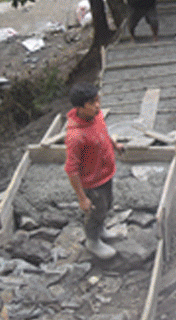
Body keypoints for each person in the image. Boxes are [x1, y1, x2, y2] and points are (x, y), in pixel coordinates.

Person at [64, 82, 124, 260]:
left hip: (106, 173)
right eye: (92, 103)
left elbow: (104, 132)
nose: (97, 105)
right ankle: (92, 241)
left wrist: (115, 145)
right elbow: (71, 169)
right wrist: (82, 198)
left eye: (97, 100)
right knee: (96, 211)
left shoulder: (96, 116)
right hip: (92, 182)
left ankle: (101, 229)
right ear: (80, 107)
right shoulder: (75, 137)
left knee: (107, 204)